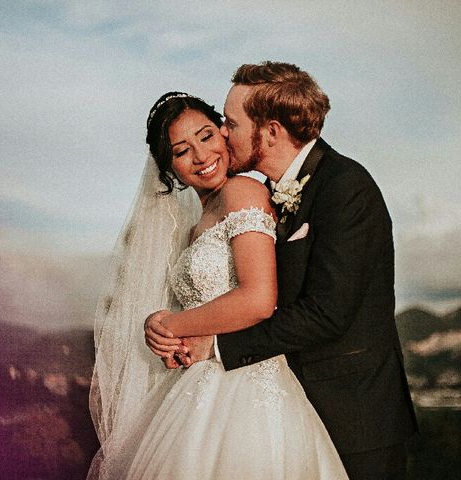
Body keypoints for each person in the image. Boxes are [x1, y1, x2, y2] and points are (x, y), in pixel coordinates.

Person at [146, 62, 418, 479]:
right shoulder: (266, 194)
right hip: (288, 405)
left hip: (355, 415)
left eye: (230, 124)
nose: (222, 135)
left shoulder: (346, 186)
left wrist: (215, 346)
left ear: (270, 131)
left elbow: (326, 313)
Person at [89, 92, 348, 479]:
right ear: (170, 169)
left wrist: (170, 326)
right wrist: (164, 335)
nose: (200, 155)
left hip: (247, 390)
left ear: (225, 134)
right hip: (196, 386)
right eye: (181, 150)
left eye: (206, 136)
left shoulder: (241, 192)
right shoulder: (198, 221)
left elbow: (259, 299)